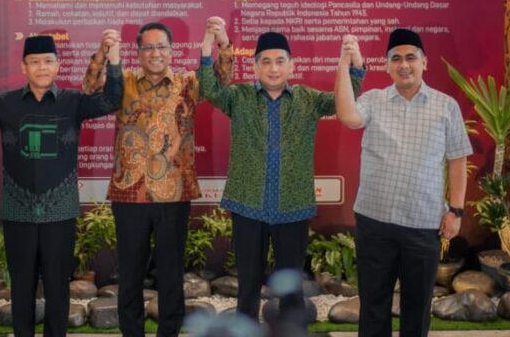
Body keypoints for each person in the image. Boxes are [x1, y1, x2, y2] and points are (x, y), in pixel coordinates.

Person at [0, 34, 122, 337]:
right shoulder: (6, 103)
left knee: (58, 286)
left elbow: (112, 100)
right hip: (18, 211)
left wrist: (114, 59)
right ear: (24, 67)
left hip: (60, 212)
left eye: (48, 61)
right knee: (21, 286)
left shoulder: (73, 102)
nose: (42, 67)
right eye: (34, 62)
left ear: (58, 66)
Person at [198, 29, 364, 323]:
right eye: (266, 62)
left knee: (291, 287)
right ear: (255, 67)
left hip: (292, 206)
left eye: (280, 61)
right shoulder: (238, 96)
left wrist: (354, 64)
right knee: (248, 285)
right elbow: (210, 89)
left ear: (291, 66)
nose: (273, 68)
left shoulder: (308, 98)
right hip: (248, 205)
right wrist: (207, 47)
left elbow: (344, 101)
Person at [81, 18, 233, 337]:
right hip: (129, 194)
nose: (155, 53)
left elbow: (220, 82)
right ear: (138, 53)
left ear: (171, 51)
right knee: (130, 274)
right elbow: (90, 89)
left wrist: (221, 42)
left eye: (161, 47)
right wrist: (103, 52)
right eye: (148, 47)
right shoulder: (122, 82)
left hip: (173, 194)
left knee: (171, 274)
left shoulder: (188, 84)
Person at [334, 30, 472, 337]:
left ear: (425, 62)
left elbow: (458, 160)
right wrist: (344, 63)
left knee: (417, 306)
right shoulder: (373, 100)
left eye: (411, 57)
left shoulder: (446, 106)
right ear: (387, 66)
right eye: (396, 58)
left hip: (422, 224)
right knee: (373, 304)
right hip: (375, 222)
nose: (404, 64)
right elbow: (347, 116)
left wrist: (456, 211)